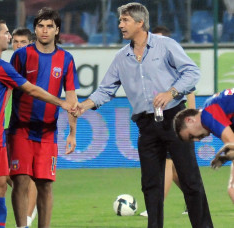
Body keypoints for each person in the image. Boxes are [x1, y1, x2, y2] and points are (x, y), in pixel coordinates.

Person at [71, 3, 213, 228]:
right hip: (146, 126)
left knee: (190, 180)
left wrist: (171, 92)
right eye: (120, 21)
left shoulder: (165, 45)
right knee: (150, 185)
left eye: (125, 20)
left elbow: (192, 72)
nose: (120, 25)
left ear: (140, 23)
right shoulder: (121, 57)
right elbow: (106, 89)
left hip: (175, 119)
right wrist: (84, 105)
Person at [0, 18, 72, 228]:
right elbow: (32, 89)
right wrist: (60, 102)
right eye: (6, 33)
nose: (9, 37)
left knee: (0, 186)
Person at [8, 7, 79, 228]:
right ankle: (22, 226)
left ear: (57, 30)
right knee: (20, 181)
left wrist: (72, 132)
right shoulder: (21, 56)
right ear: (35, 29)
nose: (45, 30)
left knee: (45, 185)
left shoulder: (66, 59)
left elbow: (71, 97)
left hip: (48, 132)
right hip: (20, 129)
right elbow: (8, 90)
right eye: (40, 26)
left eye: (49, 26)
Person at [139, 25, 196, 217]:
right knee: (176, 169)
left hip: (175, 119)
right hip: (156, 119)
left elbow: (190, 88)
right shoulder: (146, 63)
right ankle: (192, 201)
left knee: (168, 163)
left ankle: (155, 208)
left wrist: (190, 116)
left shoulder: (174, 60)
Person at [174, 87, 234, 203]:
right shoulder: (213, 108)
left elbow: (232, 143)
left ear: (189, 120)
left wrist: (227, 155)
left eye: (191, 136)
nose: (197, 140)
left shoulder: (208, 115)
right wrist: (226, 156)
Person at [8, 27, 38, 227]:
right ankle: (30, 206)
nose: (18, 45)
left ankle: (26, 219)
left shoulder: (35, 66)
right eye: (16, 42)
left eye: (23, 42)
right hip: (8, 125)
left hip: (30, 125)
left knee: (26, 174)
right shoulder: (9, 66)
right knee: (5, 176)